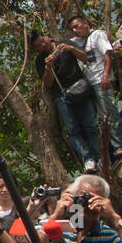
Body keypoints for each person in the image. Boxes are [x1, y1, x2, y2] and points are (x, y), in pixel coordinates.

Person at [31, 30, 102, 173]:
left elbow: (86, 58)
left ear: (47, 36)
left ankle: (101, 157)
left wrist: (71, 49)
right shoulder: (40, 60)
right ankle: (88, 159)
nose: (43, 46)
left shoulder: (65, 44)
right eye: (38, 46)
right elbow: (49, 83)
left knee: (91, 126)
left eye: (43, 41)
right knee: (73, 130)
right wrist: (49, 67)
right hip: (62, 96)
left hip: (80, 90)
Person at [68, 12, 122, 161]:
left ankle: (120, 146)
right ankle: (110, 150)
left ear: (85, 23)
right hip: (90, 84)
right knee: (101, 118)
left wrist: (106, 75)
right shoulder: (77, 41)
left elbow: (107, 54)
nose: (75, 30)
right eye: (72, 29)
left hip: (101, 80)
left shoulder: (98, 35)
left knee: (110, 112)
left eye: (77, 26)